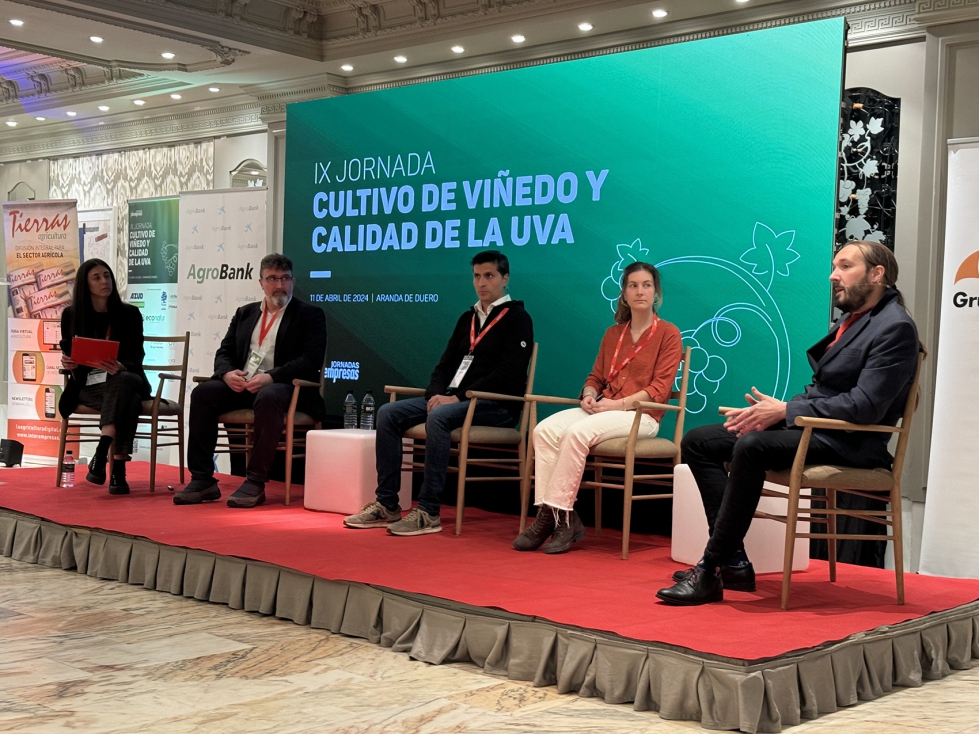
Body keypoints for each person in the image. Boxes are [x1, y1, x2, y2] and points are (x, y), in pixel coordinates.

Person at [657, 241, 920, 605]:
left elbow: (865, 407)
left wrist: (784, 412)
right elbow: (823, 390)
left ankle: (711, 567)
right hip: (818, 428)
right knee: (700, 441)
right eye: (834, 266)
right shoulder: (854, 319)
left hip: (854, 442)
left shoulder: (896, 328)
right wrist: (771, 410)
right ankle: (733, 559)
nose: (833, 275)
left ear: (877, 274)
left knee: (752, 446)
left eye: (845, 266)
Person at [344, 250, 534, 536]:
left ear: (505, 279)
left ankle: (429, 511)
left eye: (489, 276)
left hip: (496, 406)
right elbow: (444, 365)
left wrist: (457, 397)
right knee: (388, 413)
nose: (482, 283)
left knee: (440, 416)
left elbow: (508, 375)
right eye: (477, 276)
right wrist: (435, 393)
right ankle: (387, 504)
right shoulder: (466, 318)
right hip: (454, 401)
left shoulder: (518, 318)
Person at [512, 262, 683, 554]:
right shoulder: (613, 333)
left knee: (577, 433)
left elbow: (660, 389)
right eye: (633, 285)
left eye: (646, 285)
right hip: (605, 409)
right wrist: (590, 394)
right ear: (624, 294)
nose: (640, 291)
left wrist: (616, 404)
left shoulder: (669, 333)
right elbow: (596, 377)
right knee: (543, 430)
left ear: (656, 294)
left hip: (641, 416)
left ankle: (550, 520)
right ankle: (560, 516)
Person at [174, 253, 326, 508]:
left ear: (293, 281)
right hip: (244, 384)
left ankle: (255, 480)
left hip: (286, 387)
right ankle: (202, 479)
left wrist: (271, 377)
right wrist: (227, 374)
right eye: (273, 279)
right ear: (261, 282)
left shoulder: (309, 314)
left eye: (285, 278)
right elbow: (225, 352)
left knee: (269, 396)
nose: (279, 285)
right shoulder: (245, 313)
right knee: (203, 394)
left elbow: (311, 361)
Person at [59, 259, 151, 495]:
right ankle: (117, 473)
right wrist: (69, 362)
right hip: (91, 386)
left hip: (127, 376)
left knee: (124, 381)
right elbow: (71, 353)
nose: (104, 281)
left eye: (107, 276)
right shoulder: (71, 315)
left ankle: (101, 452)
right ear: (85, 285)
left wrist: (121, 366)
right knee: (128, 401)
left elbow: (137, 356)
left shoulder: (130, 314)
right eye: (97, 277)